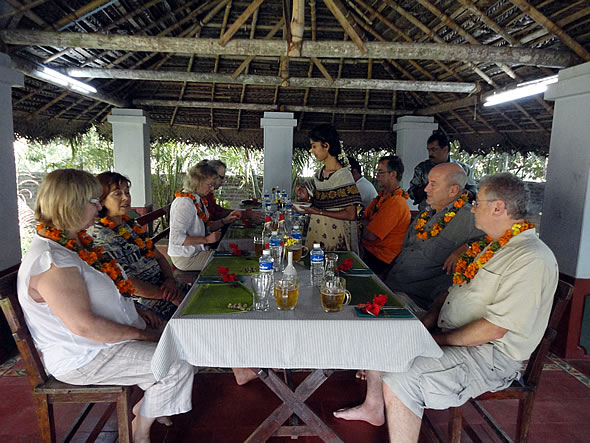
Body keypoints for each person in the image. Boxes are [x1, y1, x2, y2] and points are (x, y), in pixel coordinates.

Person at [334, 173, 558, 443]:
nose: (472, 207)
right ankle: (373, 407)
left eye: (478, 202)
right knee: (384, 319)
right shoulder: (490, 245)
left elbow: (494, 329)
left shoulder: (530, 257)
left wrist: (433, 340)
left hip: (489, 356)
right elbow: (451, 293)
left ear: (498, 207)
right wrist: (428, 320)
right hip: (450, 330)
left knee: (401, 377)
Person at [18, 169, 195, 443]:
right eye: (93, 201)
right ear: (70, 204)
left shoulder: (77, 245)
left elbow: (109, 291)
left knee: (182, 345)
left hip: (107, 343)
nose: (99, 206)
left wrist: (139, 312)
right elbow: (84, 326)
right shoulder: (53, 260)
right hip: (85, 356)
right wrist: (143, 334)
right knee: (178, 363)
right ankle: (140, 430)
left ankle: (150, 406)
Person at [88, 172, 188, 321]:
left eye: (127, 192)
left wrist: (170, 280)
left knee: (203, 297)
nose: (126, 198)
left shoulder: (130, 224)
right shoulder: (101, 235)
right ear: (101, 200)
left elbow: (159, 257)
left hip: (166, 288)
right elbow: (127, 282)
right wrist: (167, 295)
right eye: (117, 194)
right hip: (145, 302)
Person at [385, 162, 484, 310]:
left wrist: (469, 247)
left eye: (433, 184)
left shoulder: (470, 218)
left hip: (416, 301)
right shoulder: (426, 212)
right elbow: (404, 250)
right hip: (391, 285)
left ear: (453, 190)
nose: (425, 189)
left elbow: (502, 240)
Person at [295, 124, 362, 252]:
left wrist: (317, 212)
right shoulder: (320, 174)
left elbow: (351, 214)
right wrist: (307, 198)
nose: (312, 151)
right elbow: (320, 204)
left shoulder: (343, 176)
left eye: (314, 146)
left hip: (336, 237)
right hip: (316, 234)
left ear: (326, 146)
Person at [168, 161, 241, 271]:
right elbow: (176, 238)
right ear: (197, 182)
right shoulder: (184, 203)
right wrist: (206, 240)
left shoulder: (197, 199)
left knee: (234, 253)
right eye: (209, 185)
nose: (212, 188)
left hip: (198, 251)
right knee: (231, 262)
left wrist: (225, 220)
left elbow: (206, 226)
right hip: (186, 257)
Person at [361, 156, 411, 279]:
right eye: (377, 172)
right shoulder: (382, 196)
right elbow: (362, 219)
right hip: (369, 250)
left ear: (393, 174)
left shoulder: (397, 202)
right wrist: (366, 222)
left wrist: (364, 223)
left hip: (380, 258)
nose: (377, 175)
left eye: (381, 172)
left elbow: (370, 235)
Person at [408, 132, 476, 211]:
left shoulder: (463, 168)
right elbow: (412, 193)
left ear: (445, 149)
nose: (430, 153)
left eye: (434, 150)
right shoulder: (422, 168)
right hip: (427, 212)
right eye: (429, 150)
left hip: (456, 213)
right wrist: (431, 187)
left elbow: (474, 190)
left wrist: (463, 193)